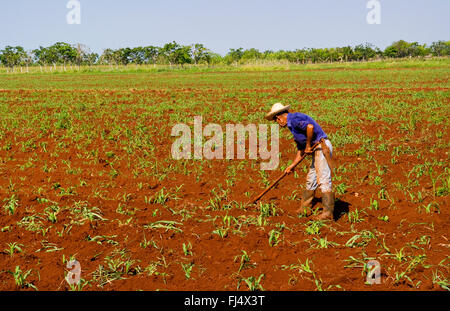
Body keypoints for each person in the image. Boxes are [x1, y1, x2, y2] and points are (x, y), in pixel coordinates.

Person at [266, 103, 335, 220]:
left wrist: (308, 145)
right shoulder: (292, 126)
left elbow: (310, 127)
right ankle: (305, 208)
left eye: (276, 121)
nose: (278, 123)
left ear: (279, 118)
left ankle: (328, 213)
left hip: (320, 146)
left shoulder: (293, 118)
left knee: (323, 179)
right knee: (311, 179)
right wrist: (292, 166)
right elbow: (301, 150)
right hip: (316, 149)